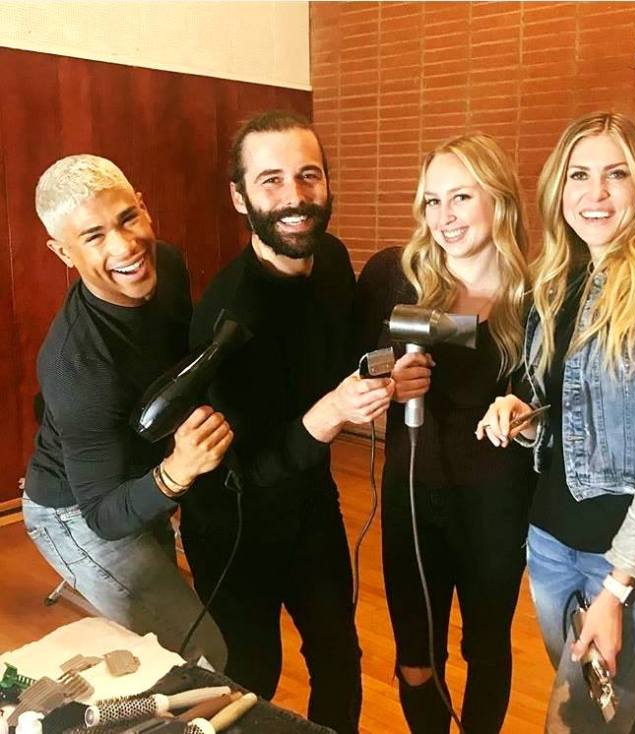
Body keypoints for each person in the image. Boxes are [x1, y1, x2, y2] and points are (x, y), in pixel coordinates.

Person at [476, 112, 635, 733]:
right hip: (550, 544)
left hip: (629, 565)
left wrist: (618, 588)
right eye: (580, 174)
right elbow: (575, 417)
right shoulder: (558, 279)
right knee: (607, 720)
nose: (595, 193)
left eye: (617, 175)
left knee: (577, 725)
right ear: (559, 186)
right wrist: (525, 416)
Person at [179, 110, 394, 734]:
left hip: (309, 501)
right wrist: (326, 416)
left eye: (309, 176)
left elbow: (341, 348)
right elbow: (244, 468)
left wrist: (386, 371)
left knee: (338, 659)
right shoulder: (226, 317)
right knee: (251, 680)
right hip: (232, 523)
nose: (295, 197)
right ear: (239, 196)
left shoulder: (329, 257)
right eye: (270, 180)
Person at [354, 134, 536, 733]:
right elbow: (358, 365)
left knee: (487, 646)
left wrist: (525, 413)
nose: (444, 217)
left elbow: (554, 401)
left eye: (461, 197)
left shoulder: (537, 296)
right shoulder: (393, 278)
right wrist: (388, 376)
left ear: (500, 200)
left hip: (496, 504)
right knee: (414, 655)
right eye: (432, 201)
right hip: (413, 497)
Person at [23, 154, 230, 669]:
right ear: (62, 251)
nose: (125, 247)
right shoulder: (78, 364)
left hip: (137, 474)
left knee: (161, 647)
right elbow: (104, 517)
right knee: (201, 654)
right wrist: (176, 471)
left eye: (127, 219)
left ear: (143, 205)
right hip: (76, 511)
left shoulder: (169, 265)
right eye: (93, 237)